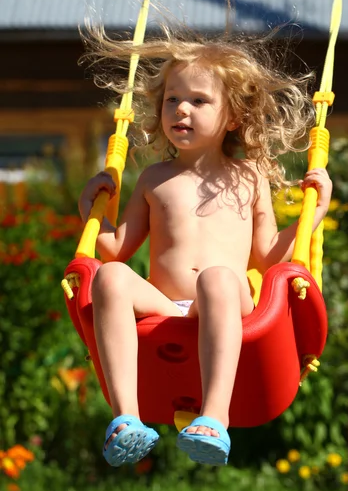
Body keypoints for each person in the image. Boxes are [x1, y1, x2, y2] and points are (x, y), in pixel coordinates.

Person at [78, 31, 332, 468]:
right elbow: (116, 250)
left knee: (216, 276)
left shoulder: (248, 177)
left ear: (232, 116)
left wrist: (313, 214)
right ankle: (126, 418)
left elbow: (269, 256)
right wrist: (90, 209)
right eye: (172, 100)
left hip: (226, 301)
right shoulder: (153, 179)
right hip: (166, 305)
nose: (181, 109)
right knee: (110, 277)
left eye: (198, 101)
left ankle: (215, 418)